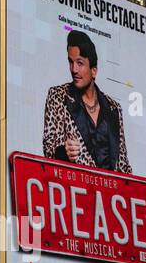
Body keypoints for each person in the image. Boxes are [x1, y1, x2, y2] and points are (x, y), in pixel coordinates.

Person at [42, 30, 132, 174]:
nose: (74, 69)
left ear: (94, 70)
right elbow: (49, 149)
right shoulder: (58, 96)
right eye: (70, 62)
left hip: (110, 194)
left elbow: (123, 163)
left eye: (80, 63)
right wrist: (64, 152)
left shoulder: (114, 108)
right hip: (75, 190)